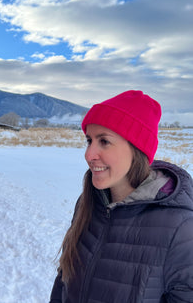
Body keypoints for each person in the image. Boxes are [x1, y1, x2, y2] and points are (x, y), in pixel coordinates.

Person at [49, 90, 193, 303]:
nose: (89, 155)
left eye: (104, 141)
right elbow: (64, 278)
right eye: (89, 140)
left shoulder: (180, 229)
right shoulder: (88, 203)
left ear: (137, 149)